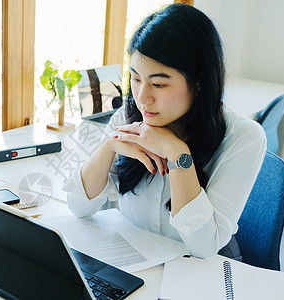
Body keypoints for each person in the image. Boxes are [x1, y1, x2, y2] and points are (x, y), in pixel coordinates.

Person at [63, 4, 266, 259]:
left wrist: (178, 152)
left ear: (200, 81)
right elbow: (79, 207)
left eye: (158, 84)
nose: (143, 98)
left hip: (203, 271)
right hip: (139, 262)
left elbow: (203, 247)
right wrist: (109, 145)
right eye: (136, 79)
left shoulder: (244, 137)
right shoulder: (129, 117)